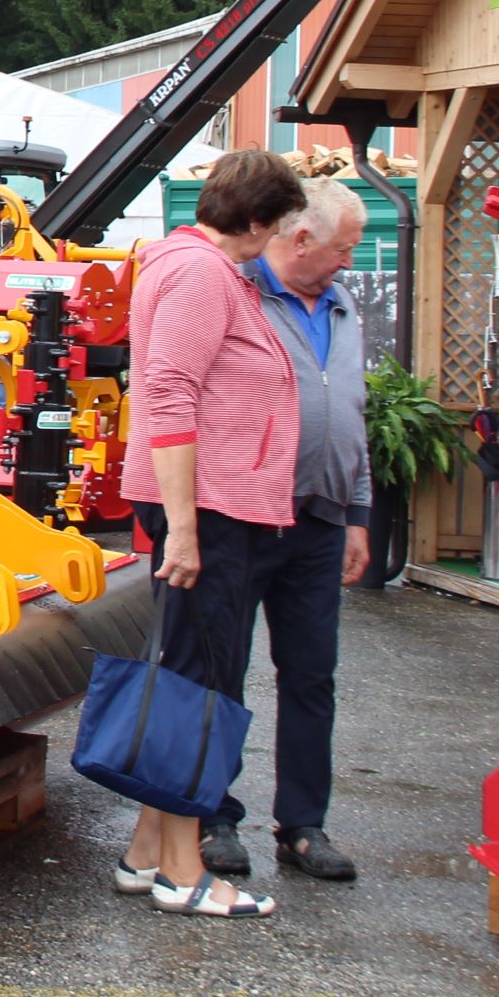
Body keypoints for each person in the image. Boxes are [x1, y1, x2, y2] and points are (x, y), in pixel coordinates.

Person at [112, 148, 307, 920]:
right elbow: (169, 389)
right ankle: (183, 872)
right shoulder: (198, 272)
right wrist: (185, 527)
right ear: (255, 220)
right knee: (198, 687)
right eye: (278, 223)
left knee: (190, 674)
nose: (278, 237)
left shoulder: (200, 268)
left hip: (217, 501)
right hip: (210, 506)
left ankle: (143, 853)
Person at [195, 176, 372, 884]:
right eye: (342, 249)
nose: (348, 263)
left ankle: (303, 825)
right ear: (299, 239)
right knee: (222, 669)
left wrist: (357, 512)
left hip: (321, 518)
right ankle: (213, 815)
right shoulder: (239, 292)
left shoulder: (341, 303)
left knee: (311, 675)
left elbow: (350, 409)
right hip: (243, 513)